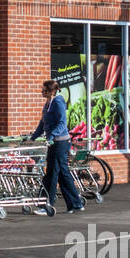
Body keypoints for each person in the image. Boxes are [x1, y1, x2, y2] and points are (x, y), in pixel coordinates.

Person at [30, 79, 85, 213]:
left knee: (51, 174)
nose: (42, 92)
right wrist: (32, 137)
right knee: (62, 173)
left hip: (60, 143)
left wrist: (51, 136)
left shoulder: (58, 102)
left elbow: (62, 123)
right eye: (42, 90)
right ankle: (75, 204)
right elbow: (43, 123)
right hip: (56, 142)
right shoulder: (48, 103)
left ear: (52, 91)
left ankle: (46, 205)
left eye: (45, 90)